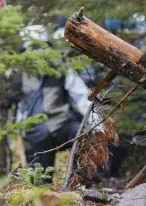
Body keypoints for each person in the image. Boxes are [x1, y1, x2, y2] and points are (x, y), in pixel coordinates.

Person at [16, 24, 99, 172]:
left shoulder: (61, 69)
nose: (36, 54)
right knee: (41, 181)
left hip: (61, 126)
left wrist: (98, 124)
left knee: (84, 137)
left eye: (40, 48)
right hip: (34, 134)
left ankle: (88, 181)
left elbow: (81, 96)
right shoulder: (19, 75)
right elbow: (15, 104)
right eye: (32, 49)